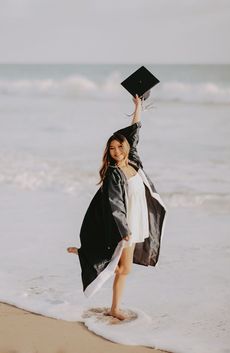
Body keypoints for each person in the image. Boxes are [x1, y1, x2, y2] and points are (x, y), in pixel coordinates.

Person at [67, 94, 166, 321]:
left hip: (137, 220)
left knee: (123, 267)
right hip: (126, 225)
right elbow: (115, 204)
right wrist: (125, 231)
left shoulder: (133, 161)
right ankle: (114, 308)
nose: (116, 151)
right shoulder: (114, 173)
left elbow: (135, 132)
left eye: (119, 146)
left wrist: (138, 106)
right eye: (111, 148)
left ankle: (85, 254)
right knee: (124, 269)